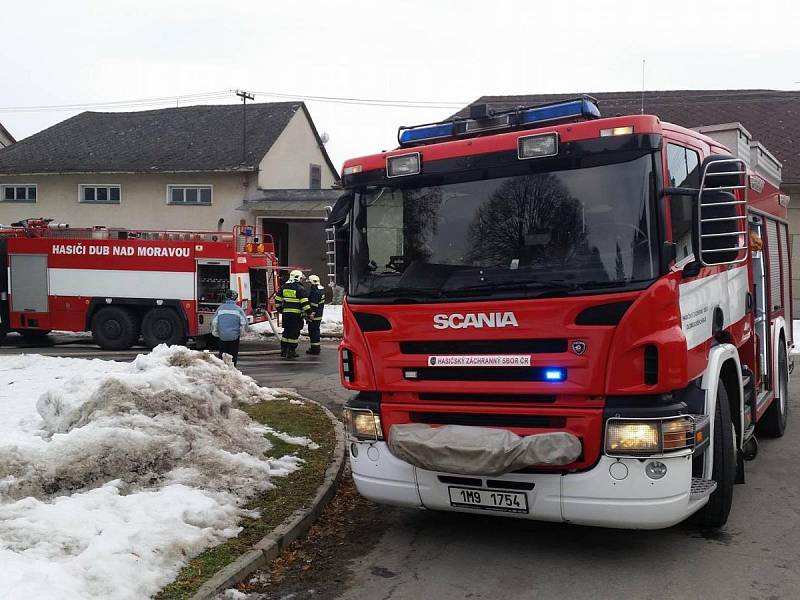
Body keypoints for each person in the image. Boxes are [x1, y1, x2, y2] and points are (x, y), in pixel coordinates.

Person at [275, 270, 311, 359]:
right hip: (296, 315)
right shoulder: (300, 289)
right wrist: (309, 313)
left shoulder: (284, 287)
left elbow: (277, 299)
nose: (301, 280)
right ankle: (291, 351)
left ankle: (283, 351)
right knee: (294, 333)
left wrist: (280, 309)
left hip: (286, 314)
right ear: (297, 277)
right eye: (301, 278)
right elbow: (305, 303)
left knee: (286, 332)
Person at [212, 289, 247, 365]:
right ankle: (232, 368)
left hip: (222, 336)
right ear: (235, 298)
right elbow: (244, 322)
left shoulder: (220, 308)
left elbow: (214, 322)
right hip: (234, 337)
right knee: (233, 355)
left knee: (222, 354)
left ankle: (223, 368)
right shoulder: (238, 309)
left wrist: (215, 332)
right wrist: (243, 332)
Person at [306, 274, 326, 355]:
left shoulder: (315, 292)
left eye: (310, 283)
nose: (309, 285)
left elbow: (314, 305)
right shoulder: (321, 290)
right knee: (315, 331)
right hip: (319, 315)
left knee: (313, 332)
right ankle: (316, 348)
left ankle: (315, 349)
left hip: (314, 316)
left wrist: (311, 315)